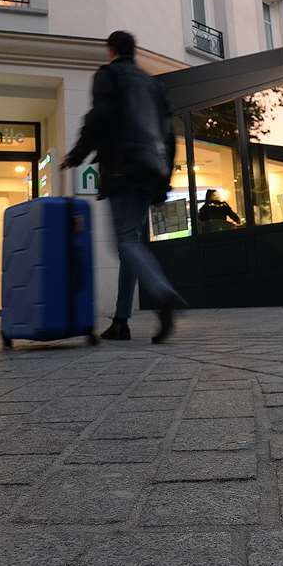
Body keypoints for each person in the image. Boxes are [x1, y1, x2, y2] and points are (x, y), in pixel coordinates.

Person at [62, 30, 185, 343]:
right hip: (149, 171)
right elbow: (169, 136)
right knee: (132, 241)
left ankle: (161, 292)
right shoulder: (153, 83)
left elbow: (98, 118)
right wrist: (164, 178)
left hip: (122, 169)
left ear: (111, 49)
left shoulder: (109, 75)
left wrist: (76, 156)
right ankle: (120, 321)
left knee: (124, 244)